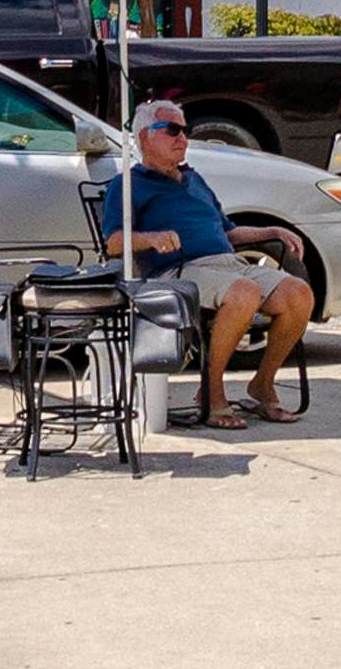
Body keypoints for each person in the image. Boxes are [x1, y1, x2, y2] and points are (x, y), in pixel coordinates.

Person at [97, 98, 311, 427]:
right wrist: (151, 238)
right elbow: (112, 244)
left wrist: (272, 230)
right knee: (243, 292)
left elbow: (229, 231)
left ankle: (262, 385)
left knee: (298, 294)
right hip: (179, 271)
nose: (182, 137)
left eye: (185, 130)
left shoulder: (194, 180)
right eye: (172, 130)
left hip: (228, 262)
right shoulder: (127, 184)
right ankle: (212, 393)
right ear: (144, 137)